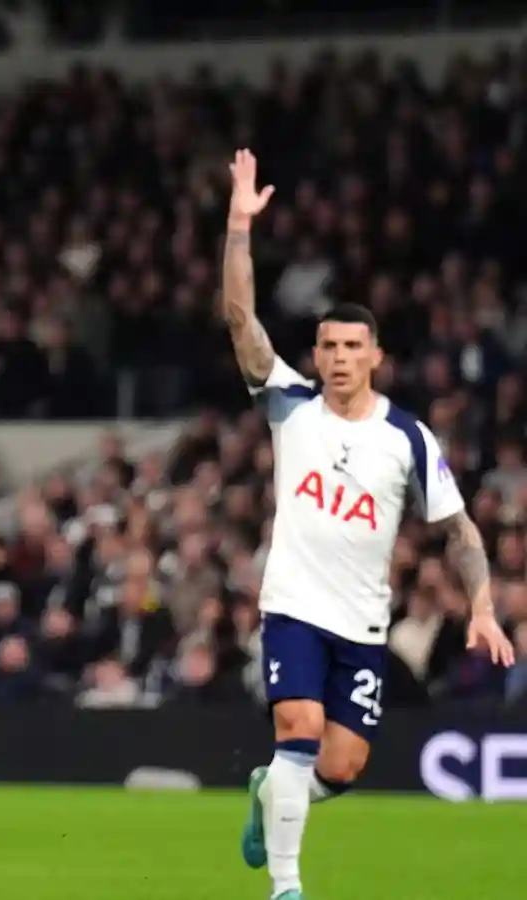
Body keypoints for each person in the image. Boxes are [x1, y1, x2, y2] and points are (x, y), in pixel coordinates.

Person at [220, 150, 515, 900]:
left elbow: (459, 531)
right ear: (314, 356)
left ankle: (269, 795)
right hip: (292, 607)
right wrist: (239, 227)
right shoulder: (289, 403)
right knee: (298, 728)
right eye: (329, 346)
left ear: (376, 356)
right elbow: (239, 319)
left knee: (342, 766)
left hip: (362, 624)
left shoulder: (408, 440)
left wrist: (481, 605)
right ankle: (287, 889)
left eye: (354, 346)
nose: (341, 357)